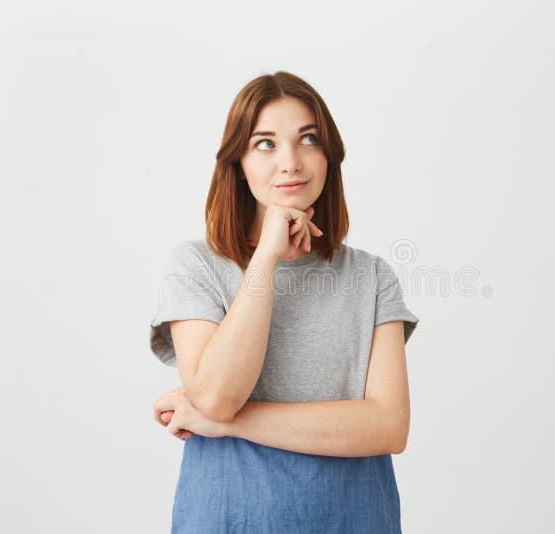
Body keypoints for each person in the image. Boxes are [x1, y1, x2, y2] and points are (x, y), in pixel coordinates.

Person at [148, 71, 419, 533]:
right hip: (228, 519)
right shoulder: (194, 265)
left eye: (308, 139)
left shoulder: (370, 276)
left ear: (329, 156)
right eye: (266, 143)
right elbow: (216, 396)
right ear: (239, 162)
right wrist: (267, 259)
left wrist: (229, 424)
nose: (291, 162)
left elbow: (388, 427)